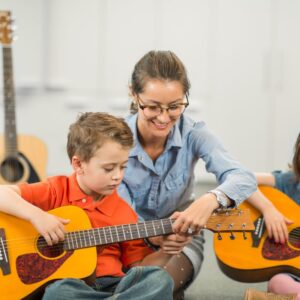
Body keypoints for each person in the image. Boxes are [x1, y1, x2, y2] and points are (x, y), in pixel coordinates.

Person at [0, 112, 191, 300]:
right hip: (71, 285)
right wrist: (37, 216)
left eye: (123, 166)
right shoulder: (56, 189)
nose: (117, 176)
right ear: (78, 164)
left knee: (160, 279)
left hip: (113, 285)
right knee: (58, 293)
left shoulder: (124, 213)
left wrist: (167, 251)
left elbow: (139, 267)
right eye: (109, 168)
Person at [117, 50, 257, 299]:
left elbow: (243, 177)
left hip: (181, 242)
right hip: (124, 240)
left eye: (174, 106)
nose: (163, 118)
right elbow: (111, 204)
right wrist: (151, 235)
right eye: (152, 107)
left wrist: (210, 199)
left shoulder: (194, 133)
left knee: (157, 285)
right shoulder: (114, 140)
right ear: (133, 93)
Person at [244, 132, 300, 300]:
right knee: (278, 282)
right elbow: (240, 180)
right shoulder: (289, 182)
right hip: (294, 274)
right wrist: (268, 209)